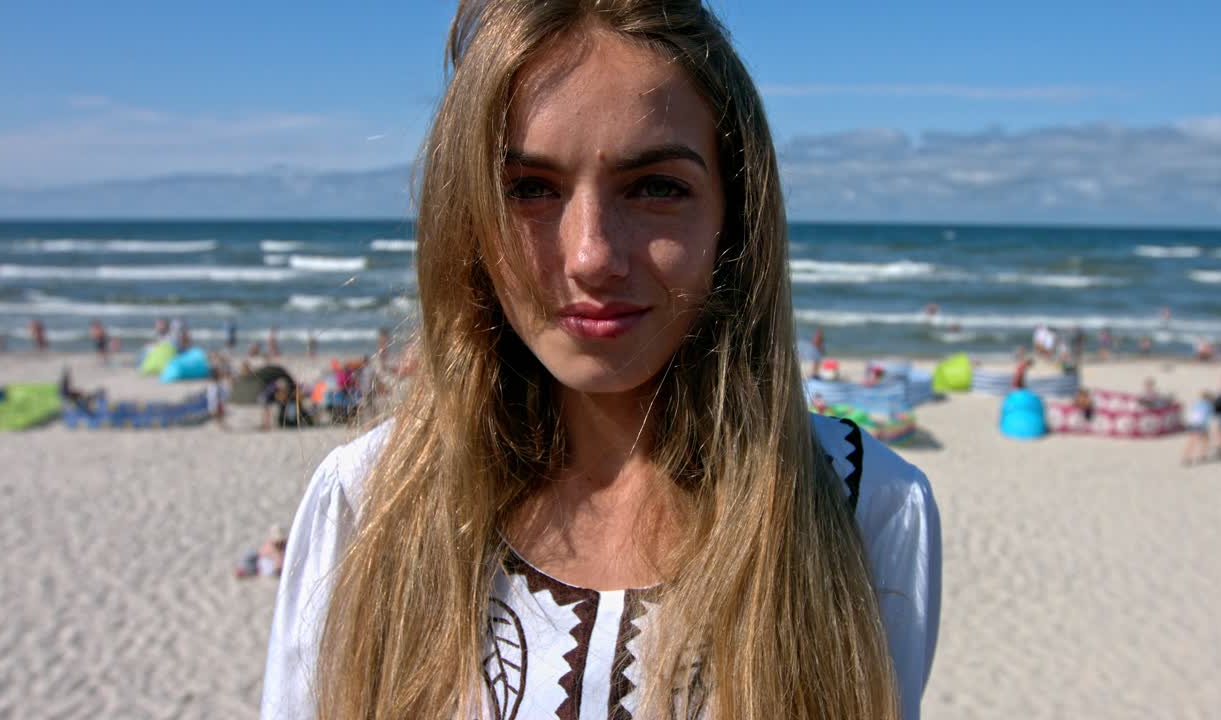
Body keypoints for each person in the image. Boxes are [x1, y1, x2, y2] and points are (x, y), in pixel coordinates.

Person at [262, 4, 940, 720]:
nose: (591, 256)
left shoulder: (865, 506)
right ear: (468, 220)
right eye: (529, 188)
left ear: (732, 217)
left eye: (655, 187)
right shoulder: (369, 505)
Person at [1182, 392, 1214, 466]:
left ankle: (1190, 456)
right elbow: (1210, 415)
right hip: (1200, 423)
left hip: (1192, 423)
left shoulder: (1197, 403)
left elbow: (1191, 412)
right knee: (1200, 440)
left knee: (1195, 440)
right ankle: (1198, 456)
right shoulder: (1209, 405)